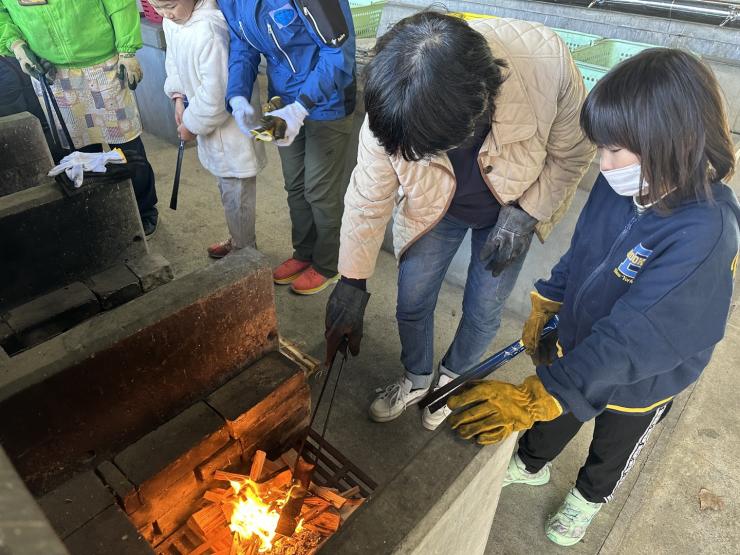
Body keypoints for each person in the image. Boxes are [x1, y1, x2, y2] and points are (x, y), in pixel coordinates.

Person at [447, 49, 739, 547]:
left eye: (615, 150)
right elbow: (582, 252)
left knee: (611, 441)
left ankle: (588, 498)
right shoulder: (620, 183)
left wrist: (539, 393)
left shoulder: (705, 233)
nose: (601, 164)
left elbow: (635, 339)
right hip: (581, 344)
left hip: (641, 378)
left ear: (670, 142)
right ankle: (532, 463)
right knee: (557, 415)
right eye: (600, 148)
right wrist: (550, 299)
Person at [323, 13, 595, 429]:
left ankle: (452, 383)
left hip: (510, 207)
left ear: (480, 110)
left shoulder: (547, 62)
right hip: (435, 209)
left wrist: (526, 213)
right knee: (412, 298)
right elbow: (367, 196)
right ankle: (416, 377)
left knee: (485, 307)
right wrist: (351, 281)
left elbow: (572, 153)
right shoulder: (394, 91)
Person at [220, 0, 356, 294]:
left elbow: (338, 53)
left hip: (326, 99)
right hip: (283, 100)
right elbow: (243, 46)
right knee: (295, 185)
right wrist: (237, 95)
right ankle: (304, 253)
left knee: (320, 190)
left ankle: (328, 264)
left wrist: (302, 106)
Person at [0, 0, 159, 235]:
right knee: (80, 152)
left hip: (103, 64)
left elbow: (119, 3)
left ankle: (144, 208)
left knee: (126, 146)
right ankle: (103, 209)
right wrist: (17, 46)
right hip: (51, 70)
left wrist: (127, 50)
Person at [152, 0, 266, 257]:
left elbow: (217, 96)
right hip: (208, 125)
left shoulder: (210, 30)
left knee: (238, 195)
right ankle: (240, 241)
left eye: (170, 5)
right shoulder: (175, 22)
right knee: (228, 191)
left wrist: (191, 124)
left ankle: (246, 254)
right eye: (157, 7)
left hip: (233, 131)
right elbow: (175, 62)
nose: (165, 14)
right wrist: (179, 97)